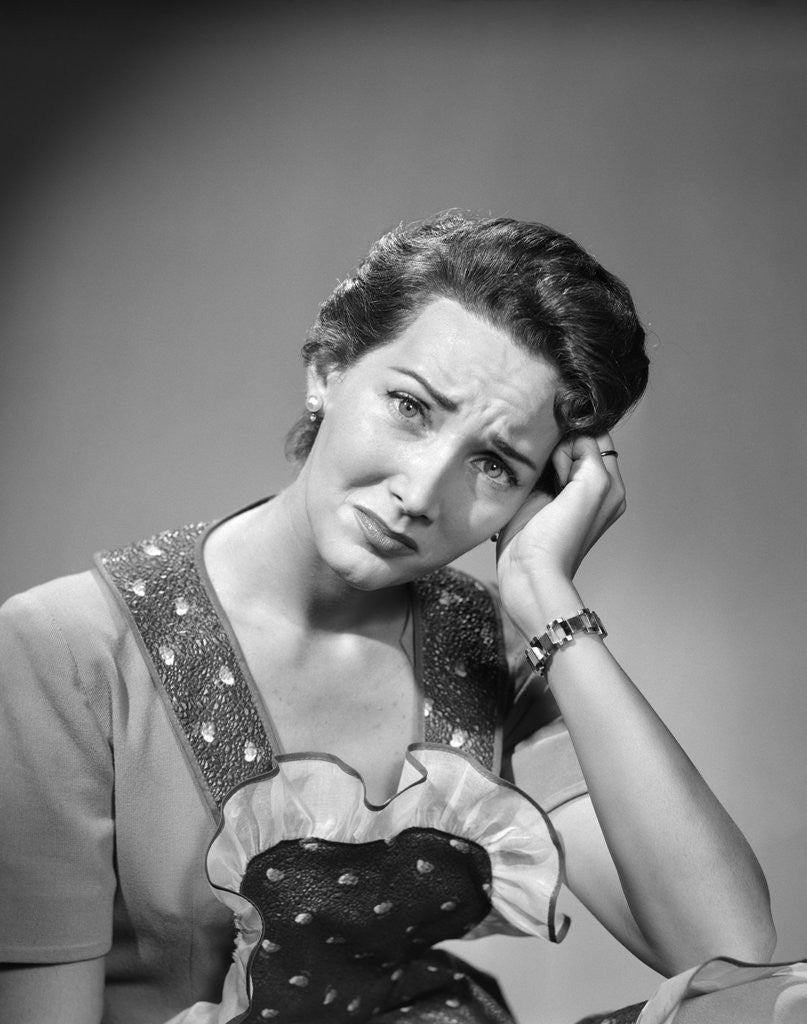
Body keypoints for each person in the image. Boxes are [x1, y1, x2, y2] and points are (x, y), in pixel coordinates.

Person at [0, 213, 802, 1024]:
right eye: (411, 407)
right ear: (329, 368)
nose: (421, 493)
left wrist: (544, 594)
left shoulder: (494, 648)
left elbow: (723, 955)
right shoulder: (65, 647)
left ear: (539, 494)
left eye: (493, 464)